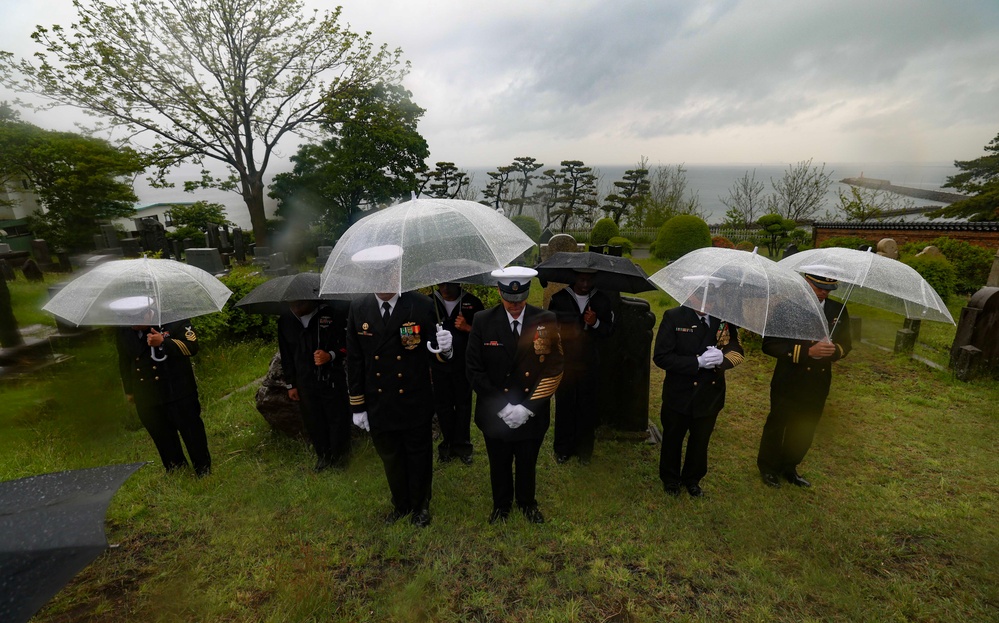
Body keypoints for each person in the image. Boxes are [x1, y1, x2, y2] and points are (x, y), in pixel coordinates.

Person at [345, 247, 453, 528]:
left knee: (418, 455)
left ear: (397, 273)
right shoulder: (359, 308)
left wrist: (447, 349)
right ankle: (401, 504)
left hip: (413, 398)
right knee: (391, 457)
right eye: (375, 276)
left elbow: (436, 355)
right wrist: (357, 405)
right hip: (379, 400)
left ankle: (421, 506)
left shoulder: (421, 305)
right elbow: (355, 360)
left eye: (387, 274)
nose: (382, 282)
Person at [466, 266, 563, 524]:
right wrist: (501, 405)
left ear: (527, 294)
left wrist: (527, 408)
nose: (515, 305)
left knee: (527, 459)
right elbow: (474, 370)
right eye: (510, 299)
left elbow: (555, 368)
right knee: (498, 461)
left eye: (520, 300)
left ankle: (527, 502)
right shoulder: (482, 321)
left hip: (531, 409)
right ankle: (501, 504)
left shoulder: (546, 319)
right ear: (499, 291)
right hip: (494, 408)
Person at [757, 272, 852, 488]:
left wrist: (833, 351)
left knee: (805, 426)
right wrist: (808, 351)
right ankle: (768, 467)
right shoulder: (787, 308)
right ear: (807, 283)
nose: (824, 292)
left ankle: (790, 466)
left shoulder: (838, 310)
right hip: (789, 378)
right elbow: (770, 344)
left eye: (829, 289)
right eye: (819, 287)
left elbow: (846, 344)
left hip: (818, 381)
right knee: (779, 423)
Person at [653, 299, 744, 497]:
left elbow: (736, 348)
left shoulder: (723, 320)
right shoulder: (674, 316)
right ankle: (670, 479)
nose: (705, 303)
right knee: (673, 438)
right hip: (680, 392)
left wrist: (723, 359)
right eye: (699, 297)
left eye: (710, 297)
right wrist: (697, 362)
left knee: (700, 440)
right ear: (690, 295)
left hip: (710, 393)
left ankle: (692, 479)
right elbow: (661, 356)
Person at [113, 296, 211, 476]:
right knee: (161, 434)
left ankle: (202, 468)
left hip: (177, 389)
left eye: (136, 322)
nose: (132, 326)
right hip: (147, 394)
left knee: (191, 431)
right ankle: (176, 469)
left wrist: (163, 342)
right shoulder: (123, 331)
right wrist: (129, 391)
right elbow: (125, 361)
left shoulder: (174, 320)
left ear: (147, 314)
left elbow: (192, 346)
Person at [547, 269, 614, 464]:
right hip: (565, 361)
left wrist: (595, 323)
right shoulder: (559, 299)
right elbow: (549, 328)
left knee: (587, 406)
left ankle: (584, 450)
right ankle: (562, 449)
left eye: (589, 280)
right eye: (581, 279)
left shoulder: (601, 300)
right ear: (574, 277)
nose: (585, 284)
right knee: (565, 404)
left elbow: (609, 330)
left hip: (590, 362)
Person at [278, 298, 351, 472]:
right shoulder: (286, 320)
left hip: (331, 377)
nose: (295, 309)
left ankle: (340, 457)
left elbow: (347, 343)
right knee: (313, 419)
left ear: (310, 300)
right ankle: (323, 456)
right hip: (304, 381)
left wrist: (330, 355)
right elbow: (286, 354)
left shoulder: (332, 315)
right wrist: (291, 384)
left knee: (337, 417)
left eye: (299, 305)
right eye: (291, 305)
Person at [431, 282, 485, 465]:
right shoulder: (430, 303)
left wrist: (467, 327)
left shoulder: (473, 303)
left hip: (463, 366)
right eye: (441, 284)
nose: (444, 289)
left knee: (463, 406)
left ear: (458, 281)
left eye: (449, 284)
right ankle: (446, 446)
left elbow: (483, 336)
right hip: (438, 367)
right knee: (443, 406)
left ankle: (463, 446)